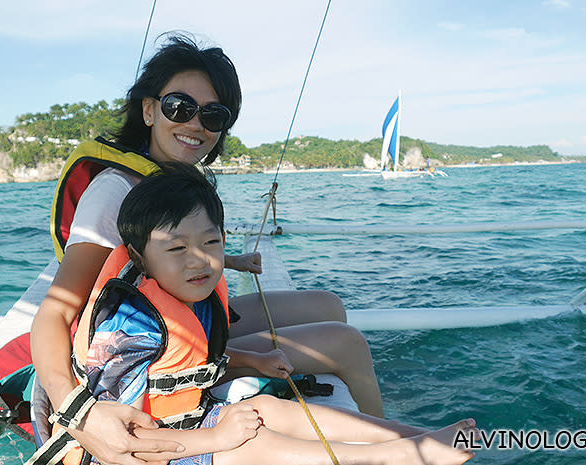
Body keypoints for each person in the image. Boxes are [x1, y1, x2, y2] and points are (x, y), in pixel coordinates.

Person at [30, 33, 383, 465]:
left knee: (328, 304)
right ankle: (390, 447)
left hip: (186, 322)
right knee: (346, 343)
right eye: (179, 107)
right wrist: (78, 412)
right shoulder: (114, 191)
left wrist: (230, 261)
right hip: (147, 349)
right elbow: (55, 312)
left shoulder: (167, 181)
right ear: (148, 109)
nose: (196, 124)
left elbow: (150, 260)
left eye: (213, 115)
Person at [31, 162, 476, 465]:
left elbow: (185, 372)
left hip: (183, 421)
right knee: (250, 441)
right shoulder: (134, 327)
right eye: (177, 248)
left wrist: (253, 363)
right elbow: (121, 437)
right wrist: (214, 440)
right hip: (150, 449)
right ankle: (391, 457)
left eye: (211, 243)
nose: (199, 260)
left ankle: (405, 434)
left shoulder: (185, 296)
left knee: (264, 407)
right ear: (140, 258)